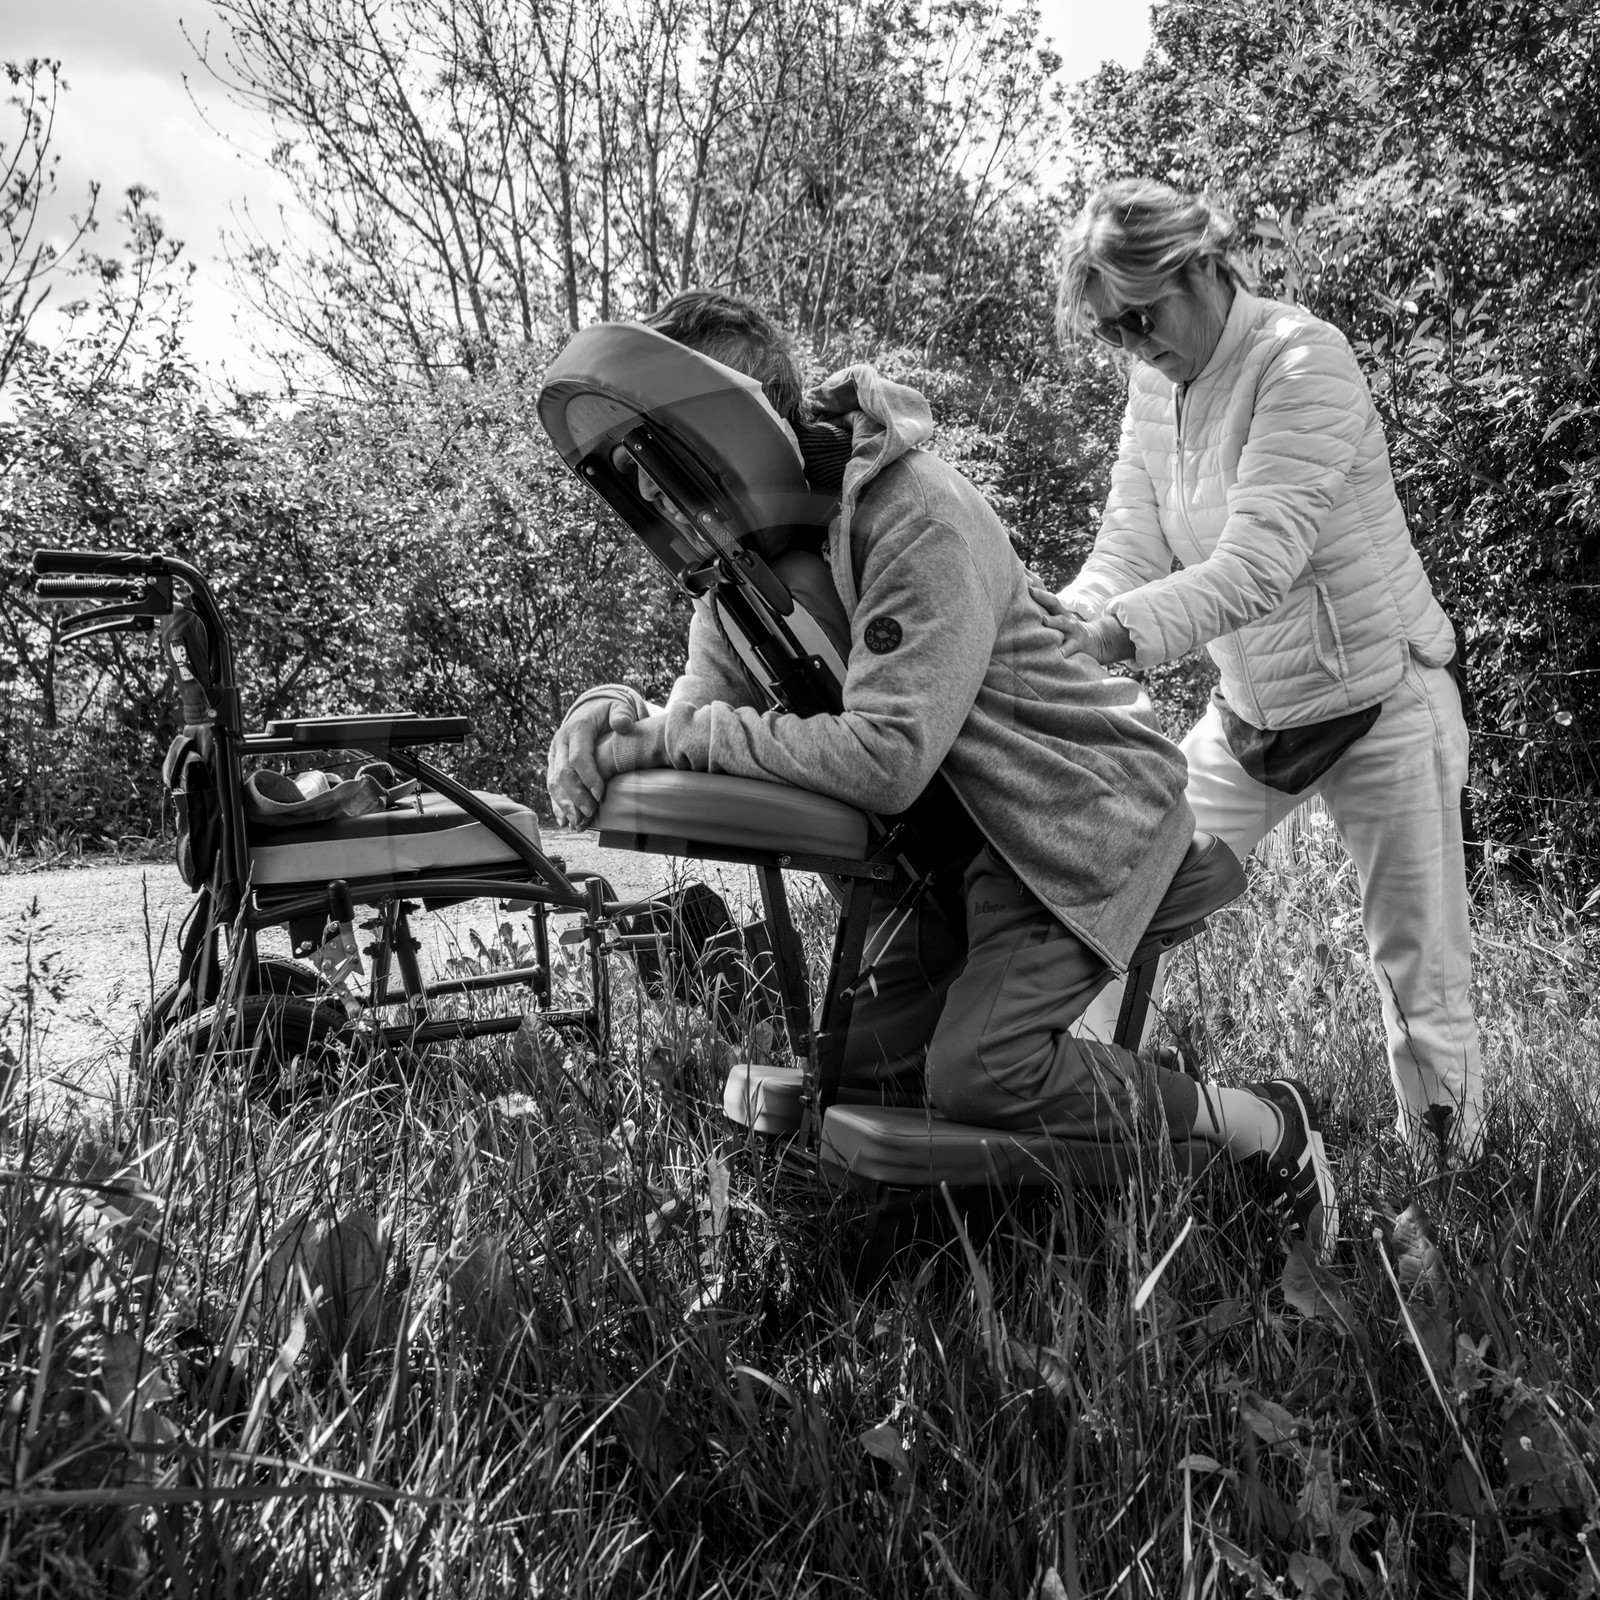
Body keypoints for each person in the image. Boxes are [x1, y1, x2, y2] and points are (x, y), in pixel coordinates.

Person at [547, 288, 1340, 1254]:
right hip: (948, 848)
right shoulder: (735, 580)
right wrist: (609, 712)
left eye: (666, 451)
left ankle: (1256, 1123)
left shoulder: (914, 511)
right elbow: (698, 717)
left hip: (1072, 816)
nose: (653, 488)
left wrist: (673, 737)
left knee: (979, 1075)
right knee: (866, 1077)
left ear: (740, 427)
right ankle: (1070, 1135)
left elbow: (884, 757)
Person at [1039, 178, 1480, 1161]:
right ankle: (1095, 1133)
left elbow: (1257, 565)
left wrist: (1112, 635)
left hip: (1379, 700)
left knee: (1419, 978)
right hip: (1249, 715)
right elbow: (1125, 545)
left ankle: (1455, 1206)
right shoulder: (1152, 386)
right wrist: (1062, 618)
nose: (1131, 344)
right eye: (1110, 332)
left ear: (1198, 268)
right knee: (1122, 893)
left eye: (1139, 317)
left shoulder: (1301, 357)